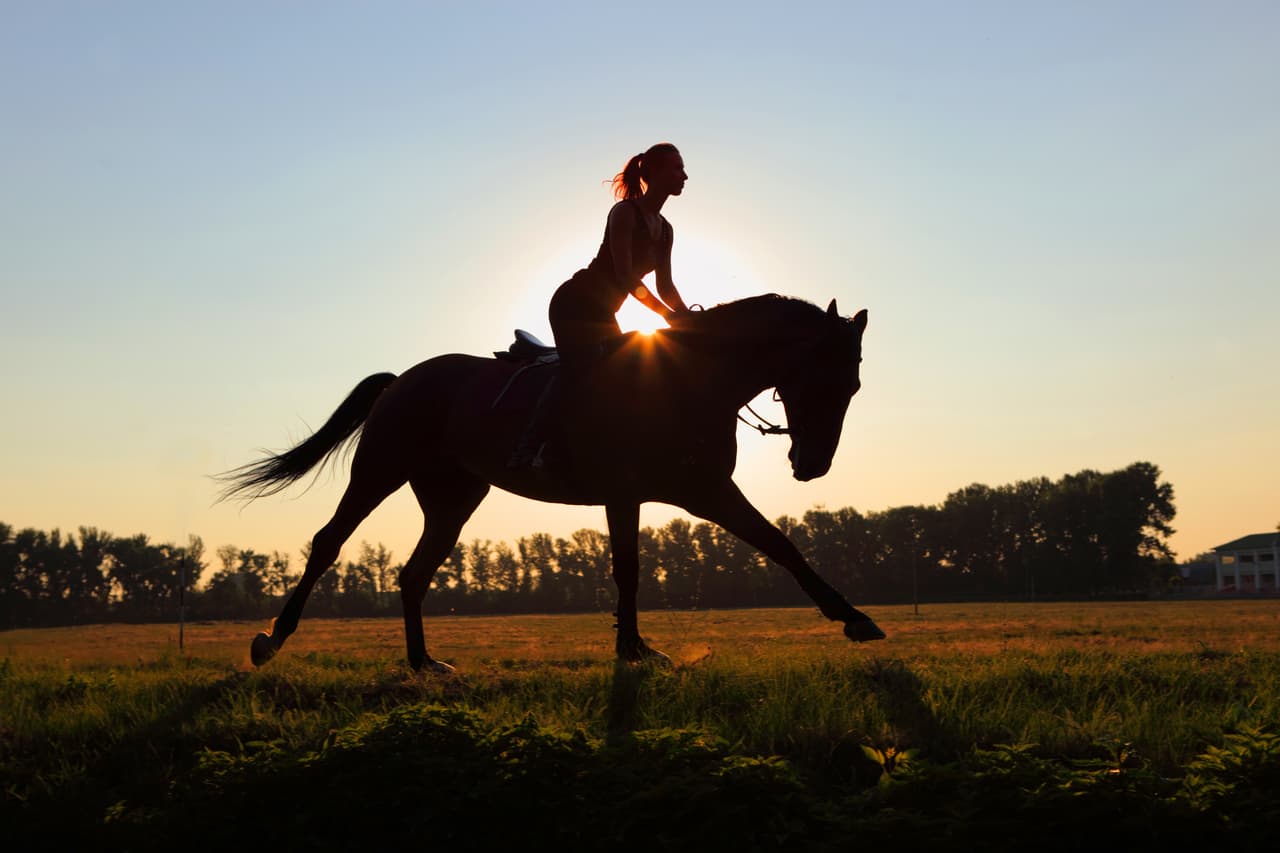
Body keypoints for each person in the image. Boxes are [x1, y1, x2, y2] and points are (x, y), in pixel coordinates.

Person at [510, 143, 691, 469]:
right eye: (676, 169)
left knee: (624, 374)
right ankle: (529, 448)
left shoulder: (665, 230)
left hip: (604, 313)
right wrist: (666, 315)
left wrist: (688, 317)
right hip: (574, 304)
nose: (685, 175)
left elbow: (666, 286)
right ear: (654, 173)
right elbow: (624, 277)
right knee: (578, 370)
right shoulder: (624, 212)